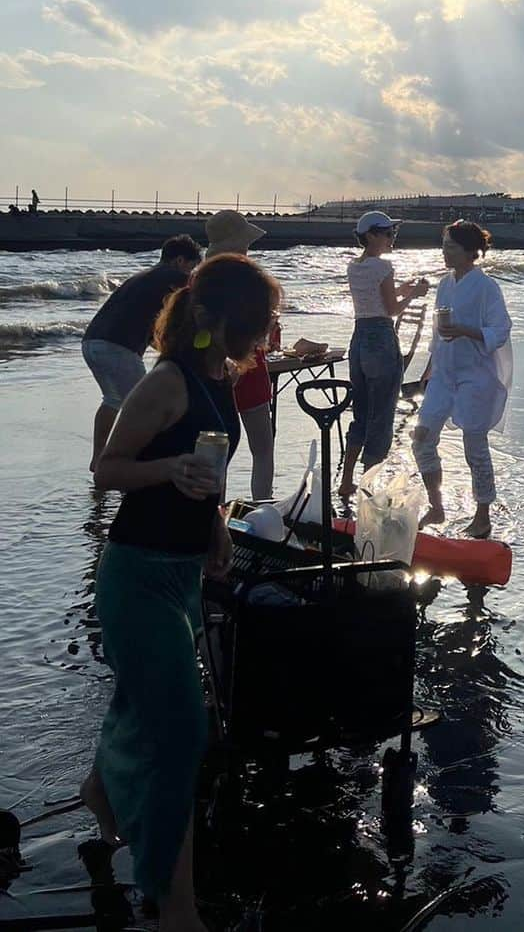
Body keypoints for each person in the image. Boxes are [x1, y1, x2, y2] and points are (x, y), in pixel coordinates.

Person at [82, 254, 281, 932]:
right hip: (135, 575)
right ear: (208, 318)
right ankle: (177, 908)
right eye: (250, 327)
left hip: (182, 573)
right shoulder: (166, 381)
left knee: (143, 697)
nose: (258, 340)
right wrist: (169, 467)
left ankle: (101, 790)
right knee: (181, 733)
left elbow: (209, 471)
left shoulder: (221, 373)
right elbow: (108, 470)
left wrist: (216, 533)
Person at [413, 221, 512, 538]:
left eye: (451, 247)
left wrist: (467, 331)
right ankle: (436, 505)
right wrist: (428, 369)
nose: (444, 251)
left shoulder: (486, 287)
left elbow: (501, 329)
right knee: (421, 438)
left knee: (474, 447)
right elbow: (437, 333)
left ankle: (483, 515)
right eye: (443, 245)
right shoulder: (445, 283)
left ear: (472, 251)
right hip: (443, 373)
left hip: (475, 375)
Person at [82, 235, 203, 471]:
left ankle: (98, 461)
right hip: (119, 347)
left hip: (92, 343)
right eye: (192, 266)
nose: (191, 272)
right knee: (147, 408)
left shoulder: (142, 277)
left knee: (113, 400)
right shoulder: (175, 278)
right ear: (180, 261)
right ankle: (131, 465)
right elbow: (196, 304)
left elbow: (149, 328)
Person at [339, 211, 428, 498]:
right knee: (383, 413)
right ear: (373, 235)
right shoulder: (383, 267)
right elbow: (390, 309)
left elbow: (376, 297)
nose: (392, 238)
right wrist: (415, 293)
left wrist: (405, 289)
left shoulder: (355, 266)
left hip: (359, 338)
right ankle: (369, 486)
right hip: (381, 338)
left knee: (362, 411)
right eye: (389, 233)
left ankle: (346, 480)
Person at [203, 209, 275, 499]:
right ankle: (262, 507)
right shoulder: (251, 278)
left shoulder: (201, 279)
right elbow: (264, 329)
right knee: (262, 448)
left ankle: (214, 514)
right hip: (250, 364)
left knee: (217, 449)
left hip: (212, 367)